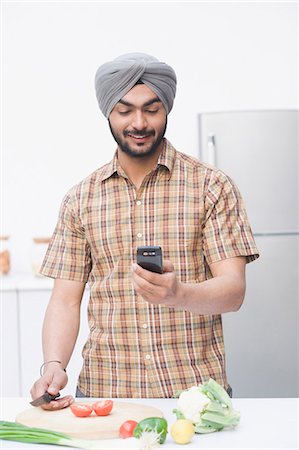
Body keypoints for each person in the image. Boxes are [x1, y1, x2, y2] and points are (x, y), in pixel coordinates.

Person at [30, 53, 259, 410]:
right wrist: (54, 365)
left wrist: (178, 293)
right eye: (125, 110)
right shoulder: (80, 199)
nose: (139, 122)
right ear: (108, 112)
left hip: (197, 399)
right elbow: (65, 300)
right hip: (107, 395)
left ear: (167, 109)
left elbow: (234, 291)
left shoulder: (211, 186)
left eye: (152, 109)